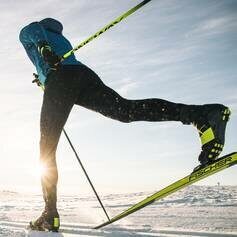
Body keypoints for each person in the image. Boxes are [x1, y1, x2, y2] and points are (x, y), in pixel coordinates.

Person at [19, 18, 230, 232]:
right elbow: (52, 54)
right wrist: (43, 74)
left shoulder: (34, 33)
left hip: (60, 79)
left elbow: (33, 30)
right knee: (125, 111)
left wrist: (44, 51)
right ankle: (202, 115)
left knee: (46, 148)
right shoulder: (60, 37)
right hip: (82, 75)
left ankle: (49, 213)